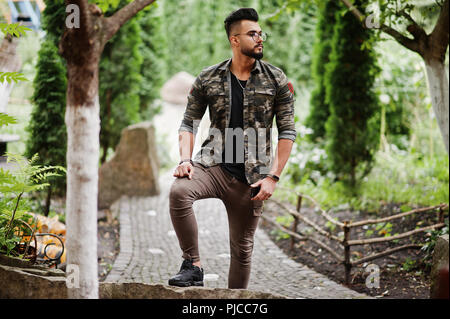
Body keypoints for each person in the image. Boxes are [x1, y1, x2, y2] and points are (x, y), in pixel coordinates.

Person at [168, 7, 297, 289]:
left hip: (251, 180)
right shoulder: (208, 77)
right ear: (235, 40)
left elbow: (288, 131)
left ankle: (235, 302)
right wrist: (185, 159)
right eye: (253, 34)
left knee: (242, 250)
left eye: (261, 33)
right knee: (179, 191)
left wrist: (273, 177)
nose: (260, 38)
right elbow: (188, 122)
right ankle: (193, 265)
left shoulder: (276, 79)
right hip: (213, 165)